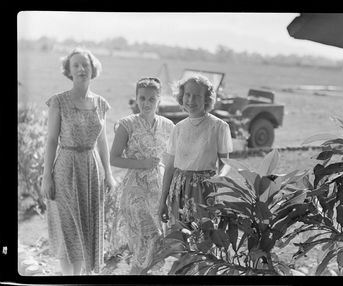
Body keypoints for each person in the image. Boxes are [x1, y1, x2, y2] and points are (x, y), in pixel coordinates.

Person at [41, 47, 116, 275]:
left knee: (86, 226)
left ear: (93, 69)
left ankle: (79, 277)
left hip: (91, 170)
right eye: (76, 65)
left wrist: (109, 174)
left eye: (86, 64)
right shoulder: (58, 102)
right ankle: (67, 278)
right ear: (69, 71)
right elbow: (52, 140)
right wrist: (47, 176)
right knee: (68, 228)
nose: (82, 68)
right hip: (65, 168)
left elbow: (102, 142)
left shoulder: (101, 103)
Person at [109, 77, 174, 274]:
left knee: (155, 245)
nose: (146, 103)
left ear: (159, 100)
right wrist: (141, 164)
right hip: (135, 190)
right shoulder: (126, 124)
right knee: (146, 240)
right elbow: (114, 159)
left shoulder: (169, 126)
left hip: (159, 190)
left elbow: (171, 160)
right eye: (142, 98)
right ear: (136, 98)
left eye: (151, 99)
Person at [158, 74, 233, 228]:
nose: (191, 100)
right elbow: (170, 167)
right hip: (178, 190)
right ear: (181, 96)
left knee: (203, 241)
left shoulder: (219, 127)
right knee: (179, 242)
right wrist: (162, 201)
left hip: (205, 191)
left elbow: (226, 163)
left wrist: (219, 179)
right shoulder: (178, 128)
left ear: (206, 98)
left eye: (197, 96)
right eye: (187, 95)